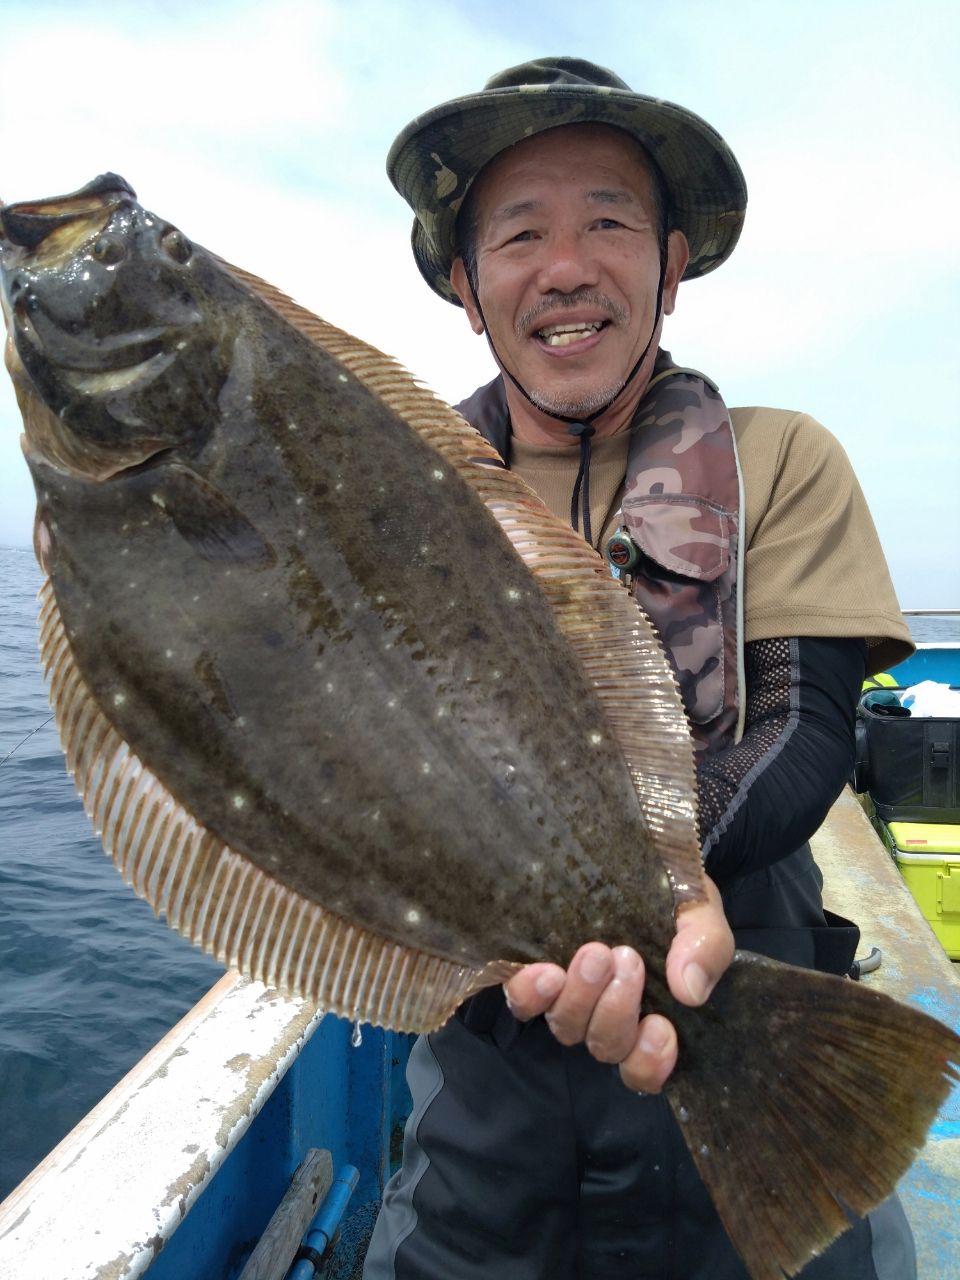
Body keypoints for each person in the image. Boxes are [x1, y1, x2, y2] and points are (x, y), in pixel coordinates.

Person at [366, 57, 917, 1280]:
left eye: (609, 222)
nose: (565, 267)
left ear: (672, 261)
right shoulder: (396, 503)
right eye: (518, 234)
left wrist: (651, 890)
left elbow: (803, 726)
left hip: (748, 1003)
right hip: (486, 1120)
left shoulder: (780, 458)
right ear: (466, 286)